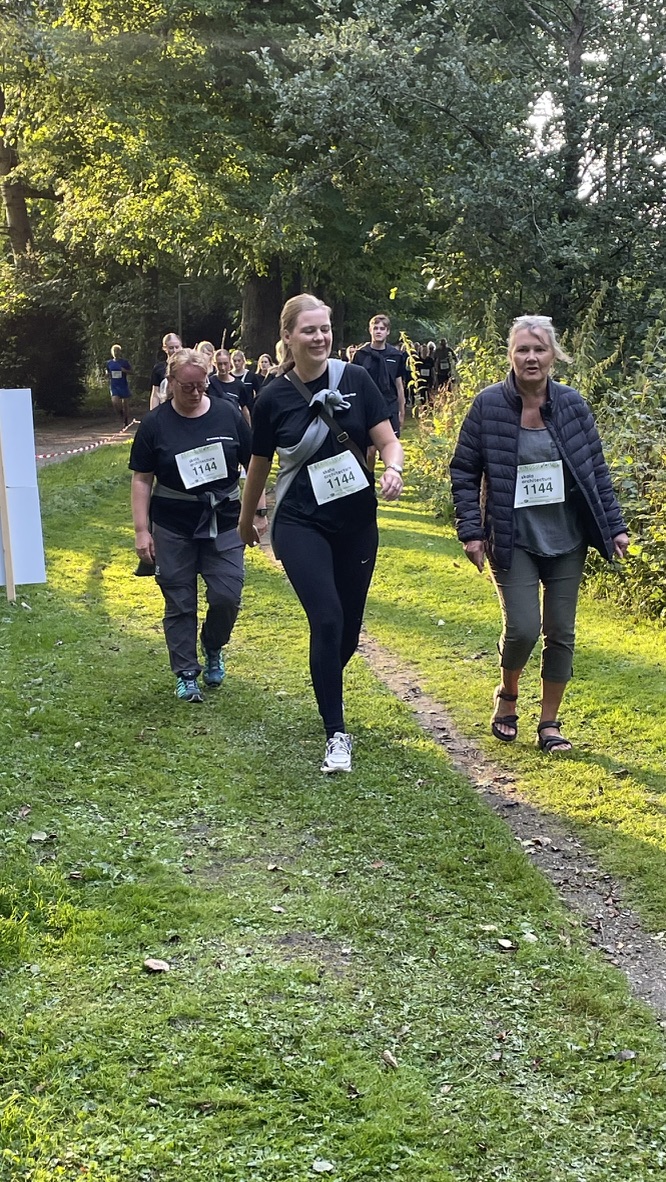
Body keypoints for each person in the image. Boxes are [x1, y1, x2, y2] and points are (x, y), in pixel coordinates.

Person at [239, 294, 404, 774]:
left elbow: (388, 439)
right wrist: (248, 519)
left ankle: (325, 678)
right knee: (327, 620)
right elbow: (258, 466)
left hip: (356, 522)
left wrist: (393, 468)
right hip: (300, 522)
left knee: (347, 630)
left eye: (325, 329)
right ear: (288, 337)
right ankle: (336, 733)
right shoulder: (272, 397)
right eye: (309, 330)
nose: (319, 337)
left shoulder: (355, 379)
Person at [450, 314, 629, 754]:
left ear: (553, 356)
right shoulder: (488, 406)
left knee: (561, 632)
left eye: (539, 349)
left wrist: (615, 527)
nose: (531, 358)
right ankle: (508, 693)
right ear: (511, 355)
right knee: (523, 629)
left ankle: (549, 722)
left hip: (567, 537)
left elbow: (596, 471)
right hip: (512, 537)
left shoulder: (572, 405)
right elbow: (464, 471)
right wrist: (472, 532)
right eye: (523, 349)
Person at [129, 348, 257, 702]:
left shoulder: (228, 414)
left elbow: (254, 464)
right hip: (173, 525)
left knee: (227, 596)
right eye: (187, 386)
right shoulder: (155, 423)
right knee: (180, 601)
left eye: (202, 385)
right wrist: (142, 530)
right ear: (171, 382)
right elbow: (142, 479)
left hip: (224, 521)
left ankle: (213, 644)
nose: (196, 392)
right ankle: (186, 673)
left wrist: (257, 510)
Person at [353, 314, 407, 470]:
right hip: (367, 407)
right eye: (375, 328)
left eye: (382, 329)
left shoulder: (396, 355)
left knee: (390, 447)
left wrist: (401, 410)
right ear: (370, 330)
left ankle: (392, 476)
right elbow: (354, 384)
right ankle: (369, 479)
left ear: (387, 331)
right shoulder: (361, 355)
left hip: (389, 405)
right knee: (370, 451)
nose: (378, 331)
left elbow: (399, 385)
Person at [209, 349, 252, 425]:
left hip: (232, 424)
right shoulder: (210, 383)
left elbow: (244, 409)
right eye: (220, 364)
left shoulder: (239, 385)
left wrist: (248, 428)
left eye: (225, 364)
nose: (223, 367)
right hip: (213, 424)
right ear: (215, 364)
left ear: (230, 363)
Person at [150, 332, 182, 409]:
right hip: (164, 408)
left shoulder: (187, 366)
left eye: (177, 347)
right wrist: (153, 412)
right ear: (165, 348)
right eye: (171, 348)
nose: (174, 350)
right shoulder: (159, 368)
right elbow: (155, 394)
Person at [105, 344, 132, 426]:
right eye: (114, 351)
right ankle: (121, 414)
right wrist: (107, 374)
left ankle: (126, 419)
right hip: (114, 385)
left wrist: (124, 370)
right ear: (111, 352)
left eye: (117, 351)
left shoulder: (124, 362)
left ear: (120, 352)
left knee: (125, 403)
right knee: (115, 401)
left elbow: (132, 371)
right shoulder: (109, 363)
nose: (116, 353)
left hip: (123, 384)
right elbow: (107, 371)